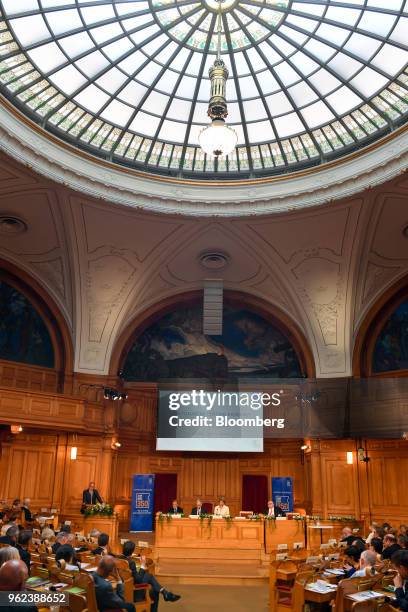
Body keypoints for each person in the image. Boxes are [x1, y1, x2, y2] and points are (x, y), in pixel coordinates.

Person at [118, 540, 180, 611]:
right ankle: (165, 593)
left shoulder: (119, 559)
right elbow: (138, 580)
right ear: (132, 551)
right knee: (152, 584)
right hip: (133, 593)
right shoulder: (131, 563)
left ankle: (165, 593)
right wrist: (142, 565)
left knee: (151, 582)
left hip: (122, 591)